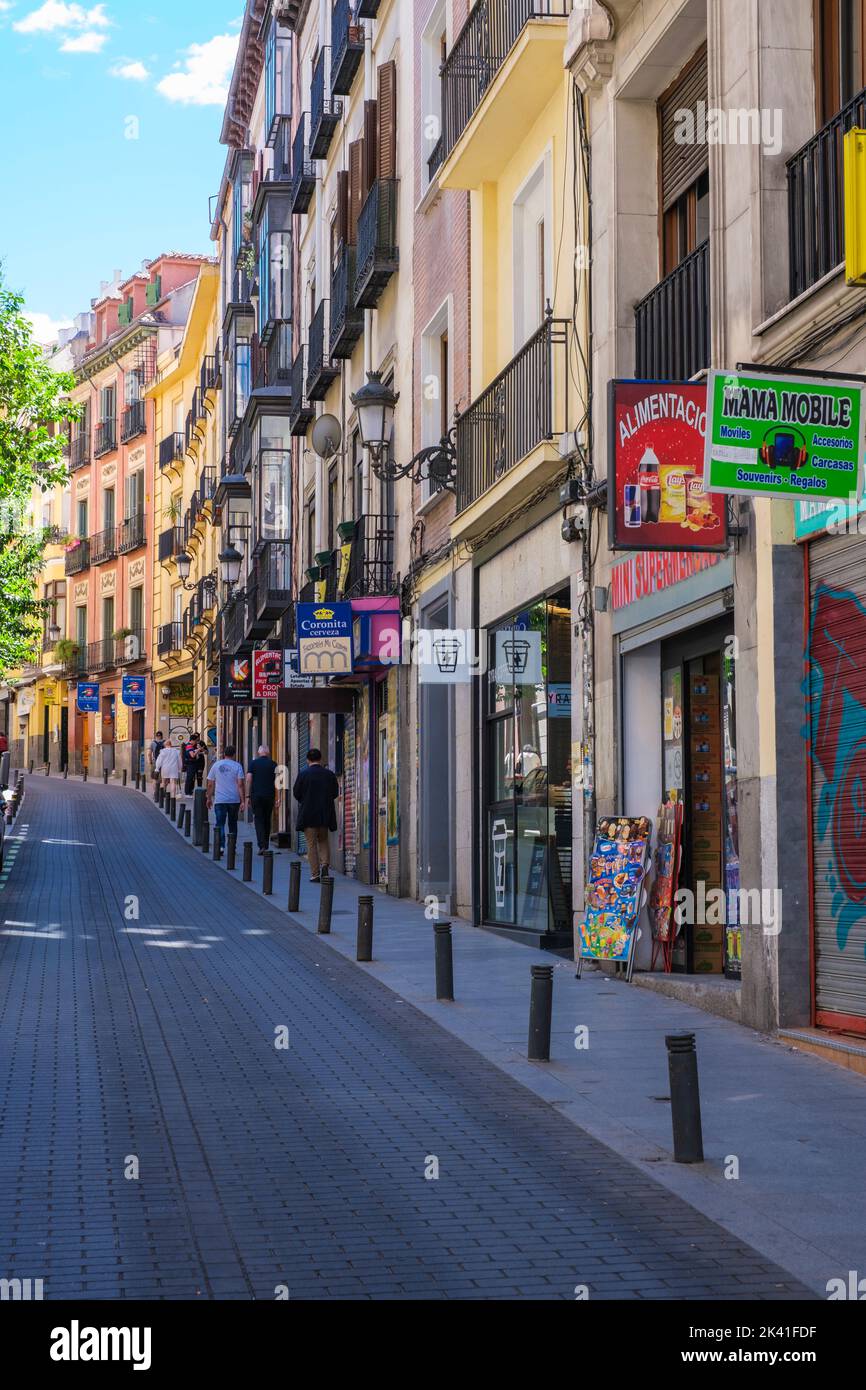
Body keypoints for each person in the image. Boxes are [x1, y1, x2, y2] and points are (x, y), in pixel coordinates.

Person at [293, 747, 339, 882]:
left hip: (308, 814)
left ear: (308, 760)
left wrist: (305, 799)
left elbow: (296, 793)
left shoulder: (303, 774)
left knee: (311, 844)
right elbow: (335, 793)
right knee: (324, 840)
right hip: (324, 814)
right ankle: (325, 865)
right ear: (320, 759)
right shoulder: (329, 774)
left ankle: (315, 873)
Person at [206, 744, 246, 839]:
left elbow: (210, 784)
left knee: (220, 823)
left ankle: (221, 846)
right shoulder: (237, 766)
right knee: (233, 824)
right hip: (234, 800)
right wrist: (243, 801)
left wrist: (209, 798)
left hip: (220, 800)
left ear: (224, 754)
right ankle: (233, 847)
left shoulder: (216, 765)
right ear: (234, 755)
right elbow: (240, 784)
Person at [246, 744, 279, 854]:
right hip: (269, 796)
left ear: (259, 753)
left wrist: (248, 796)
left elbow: (249, 779)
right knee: (267, 819)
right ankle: (266, 844)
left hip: (256, 796)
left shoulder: (253, 764)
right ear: (268, 753)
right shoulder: (274, 764)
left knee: (258, 819)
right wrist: (277, 798)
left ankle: (261, 846)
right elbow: (278, 782)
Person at [182, 731, 201, 797]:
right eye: (196, 741)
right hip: (190, 764)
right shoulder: (189, 746)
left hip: (191, 764)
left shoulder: (190, 746)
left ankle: (189, 792)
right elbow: (192, 755)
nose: (196, 742)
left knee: (191, 778)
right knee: (189, 778)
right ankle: (187, 792)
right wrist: (198, 750)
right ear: (192, 740)